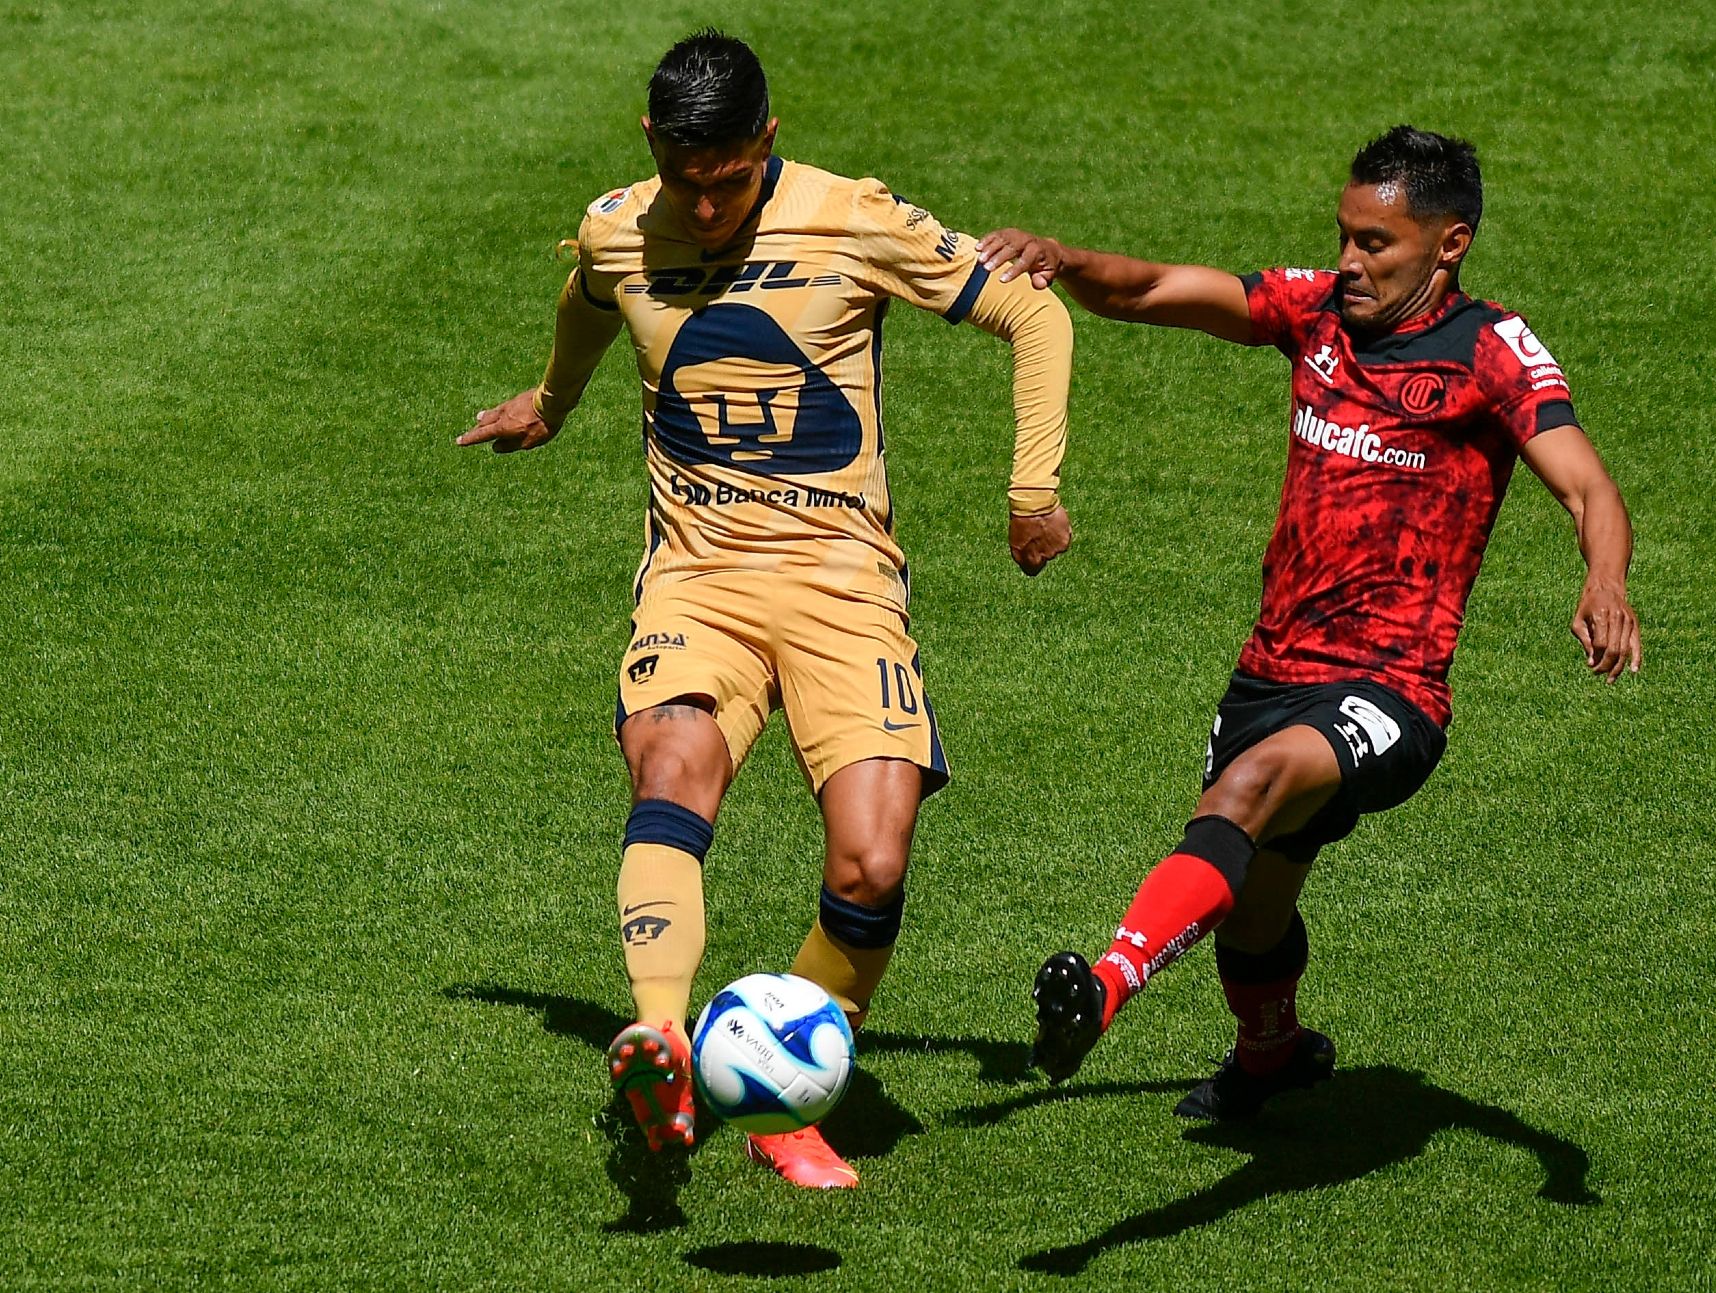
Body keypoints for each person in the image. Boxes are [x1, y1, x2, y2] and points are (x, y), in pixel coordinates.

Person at [457, 28, 1073, 1187]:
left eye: (730, 182)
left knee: (872, 864)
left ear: (769, 141)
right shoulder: (618, 227)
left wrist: (1031, 492)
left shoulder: (853, 217)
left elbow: (1033, 316)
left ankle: (786, 1097)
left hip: (843, 585)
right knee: (671, 765)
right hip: (698, 583)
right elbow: (590, 297)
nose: (705, 209)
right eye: (684, 182)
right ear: (653, 145)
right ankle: (660, 1041)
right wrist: (551, 401)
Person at [979, 125, 1640, 1119]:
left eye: (1375, 243)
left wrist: (1606, 582)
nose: (1349, 261)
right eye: (1343, 235)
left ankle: (1102, 990)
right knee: (1251, 907)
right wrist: (1063, 259)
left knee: (1247, 790)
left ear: (1450, 243)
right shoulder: (1317, 310)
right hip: (1272, 671)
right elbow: (1153, 290)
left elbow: (1587, 485)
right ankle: (1273, 1054)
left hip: (1391, 688)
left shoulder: (1490, 353)